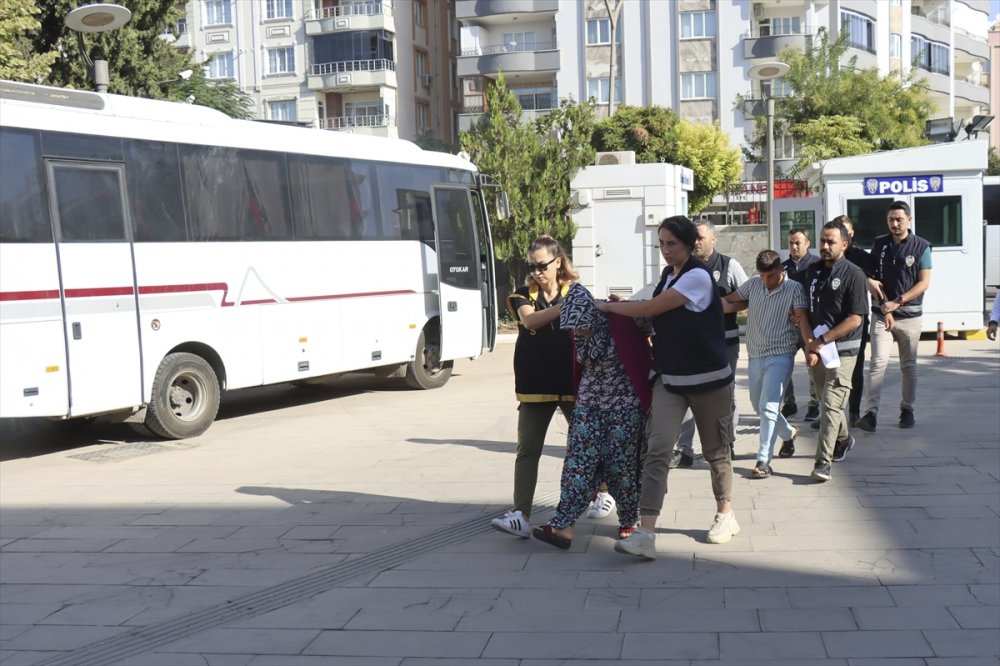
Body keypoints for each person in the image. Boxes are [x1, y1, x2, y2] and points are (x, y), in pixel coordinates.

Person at [598, 216, 738, 560]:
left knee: (716, 451)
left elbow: (650, 307)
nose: (665, 250)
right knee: (657, 449)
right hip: (670, 377)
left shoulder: (697, 276)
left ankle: (725, 513)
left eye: (671, 243)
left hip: (707, 379)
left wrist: (608, 306)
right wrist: (627, 309)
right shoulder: (669, 275)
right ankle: (646, 532)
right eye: (661, 243)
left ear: (690, 244)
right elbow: (652, 313)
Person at [491, 236, 616, 537]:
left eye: (542, 265)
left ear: (558, 262)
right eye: (532, 266)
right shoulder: (522, 295)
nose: (536, 272)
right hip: (535, 384)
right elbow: (530, 322)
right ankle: (520, 515)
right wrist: (565, 307)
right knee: (528, 449)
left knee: (590, 443)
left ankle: (603, 492)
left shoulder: (576, 292)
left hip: (574, 381)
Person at [531, 284, 651, 549]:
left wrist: (627, 306)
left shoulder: (622, 318)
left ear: (591, 315)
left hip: (625, 406)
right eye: (573, 327)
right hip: (589, 404)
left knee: (622, 467)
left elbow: (654, 319)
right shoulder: (579, 333)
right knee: (577, 464)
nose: (577, 332)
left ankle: (629, 520)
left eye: (580, 326)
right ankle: (563, 525)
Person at [723, 250, 812, 477]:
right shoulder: (754, 284)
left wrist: (810, 346)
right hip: (755, 354)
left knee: (769, 406)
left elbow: (801, 316)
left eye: (770, 276)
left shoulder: (794, 288)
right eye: (762, 276)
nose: (766, 281)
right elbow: (731, 299)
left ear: (781, 269)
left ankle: (763, 460)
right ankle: (788, 433)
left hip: (781, 354)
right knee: (758, 405)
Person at [669, 220, 747, 469]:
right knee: (688, 394)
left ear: (714, 238)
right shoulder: (681, 267)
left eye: (701, 237)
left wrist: (717, 306)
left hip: (724, 342)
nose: (696, 242)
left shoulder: (728, 265)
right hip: (691, 344)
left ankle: (726, 443)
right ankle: (684, 449)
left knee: (726, 394)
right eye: (693, 237)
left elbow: (747, 297)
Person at [796, 220, 868, 482]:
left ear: (845, 244)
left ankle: (822, 462)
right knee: (828, 402)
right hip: (818, 349)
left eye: (831, 242)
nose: (825, 246)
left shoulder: (854, 274)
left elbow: (855, 319)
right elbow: (802, 310)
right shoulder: (812, 271)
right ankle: (844, 438)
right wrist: (810, 344)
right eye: (822, 241)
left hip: (843, 350)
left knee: (829, 404)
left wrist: (823, 340)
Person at [855, 201, 932, 432]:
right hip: (881, 315)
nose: (895, 223)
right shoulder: (880, 244)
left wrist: (898, 301)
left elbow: (923, 283)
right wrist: (869, 282)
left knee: (908, 366)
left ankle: (907, 409)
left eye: (899, 219)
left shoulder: (922, 247)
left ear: (909, 220)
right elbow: (871, 274)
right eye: (891, 219)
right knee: (877, 363)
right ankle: (870, 414)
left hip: (909, 317)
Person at [834, 215, 872, 427]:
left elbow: (875, 283)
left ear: (851, 234)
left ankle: (854, 412)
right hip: (832, 322)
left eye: (846, 231)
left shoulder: (861, 257)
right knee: (830, 368)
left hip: (856, 320)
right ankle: (831, 412)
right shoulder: (827, 259)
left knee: (856, 367)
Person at [781, 228, 821, 423]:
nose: (794, 246)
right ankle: (789, 403)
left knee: (812, 365)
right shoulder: (783, 268)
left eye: (798, 242)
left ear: (807, 243)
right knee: (782, 365)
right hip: (788, 325)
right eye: (791, 243)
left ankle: (814, 404)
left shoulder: (816, 265)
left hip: (809, 325)